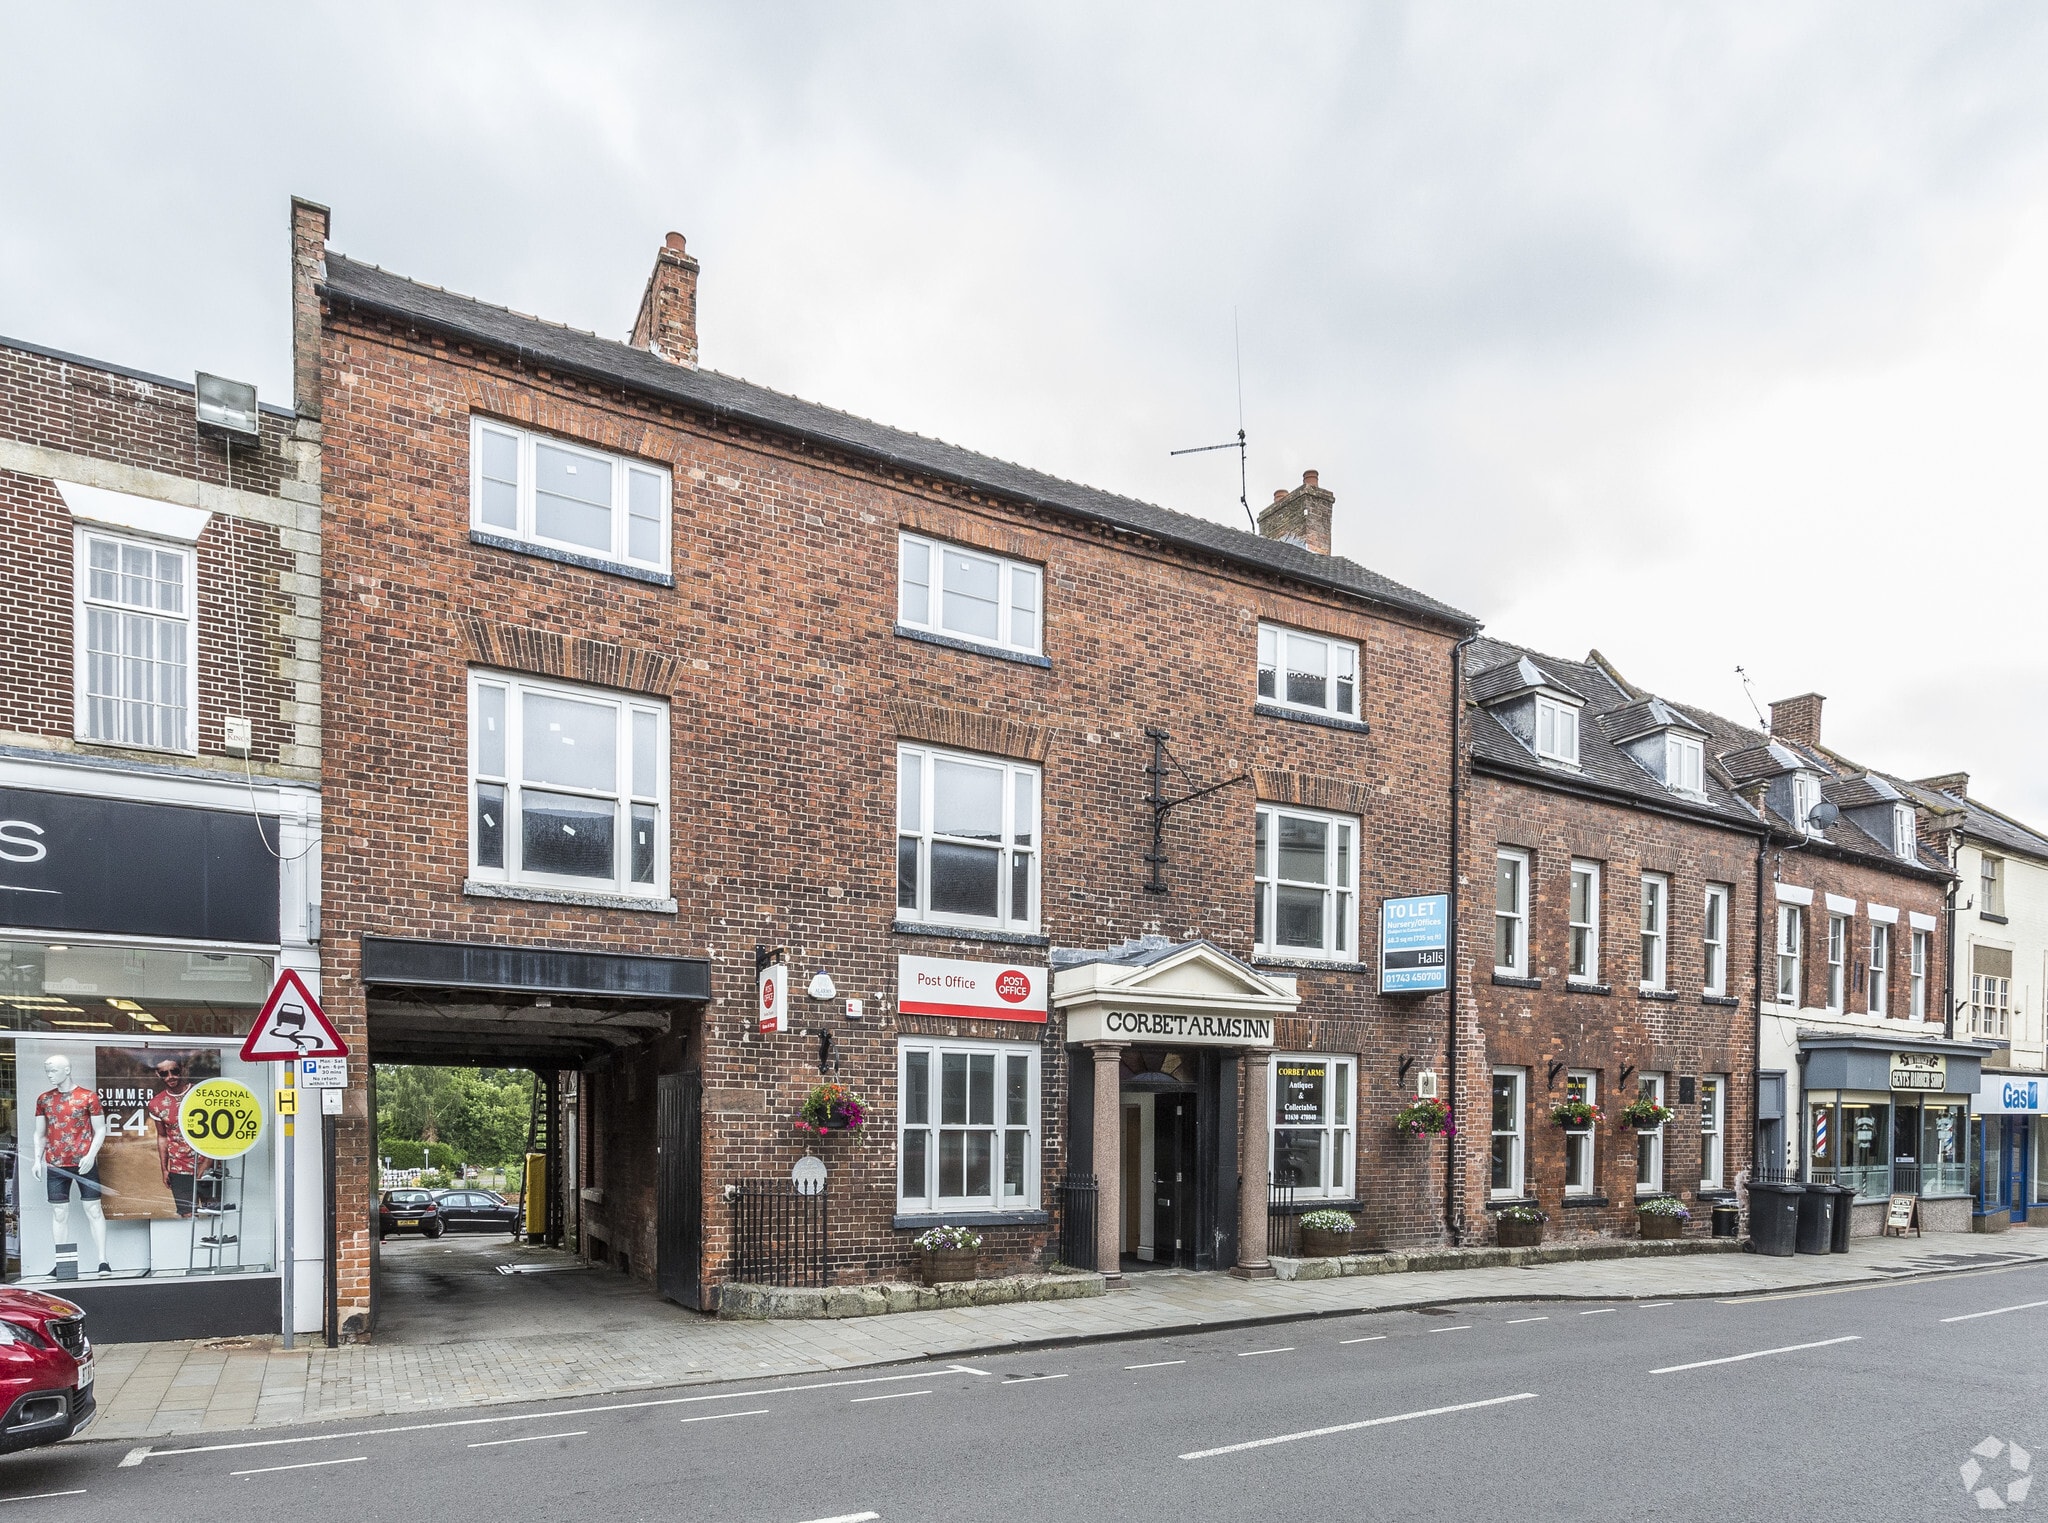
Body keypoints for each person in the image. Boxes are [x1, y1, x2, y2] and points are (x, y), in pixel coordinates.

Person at [31, 1053, 110, 1275]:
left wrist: (91, 1155)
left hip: (84, 1162)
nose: (49, 1075)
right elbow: (40, 1134)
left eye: (53, 1070)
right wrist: (37, 1160)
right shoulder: (44, 1099)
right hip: (55, 1164)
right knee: (59, 1213)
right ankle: (63, 1264)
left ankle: (103, 1261)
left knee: (93, 1209)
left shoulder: (88, 1097)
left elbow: (100, 1129)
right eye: (47, 1071)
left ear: (67, 1070)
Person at [145, 1056, 205, 1218]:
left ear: (182, 1069)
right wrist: (165, 1169)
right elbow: (162, 1137)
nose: (170, 1076)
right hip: (179, 1169)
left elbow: (219, 1131)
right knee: (188, 1216)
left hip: (209, 1167)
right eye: (164, 1073)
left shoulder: (202, 1093)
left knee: (215, 1213)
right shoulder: (156, 1104)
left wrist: (208, 1162)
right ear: (158, 1075)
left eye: (174, 1071)